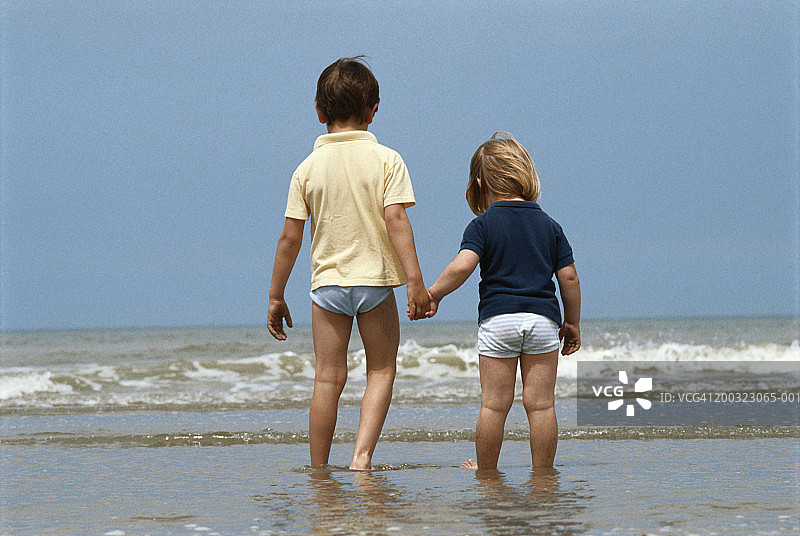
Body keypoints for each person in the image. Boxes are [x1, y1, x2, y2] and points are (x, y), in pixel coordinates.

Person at [267, 57, 430, 470]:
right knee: (380, 369)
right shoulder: (387, 161)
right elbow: (396, 219)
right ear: (374, 110)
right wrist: (415, 280)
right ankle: (361, 458)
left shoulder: (306, 169)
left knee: (328, 378)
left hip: (328, 287)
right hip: (375, 282)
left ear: (319, 111)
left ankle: (319, 468)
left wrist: (275, 295)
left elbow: (290, 238)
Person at [425, 132, 581, 469]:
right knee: (541, 405)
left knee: (494, 405)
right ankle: (543, 473)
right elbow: (568, 277)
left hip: (498, 321)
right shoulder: (549, 225)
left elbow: (463, 265)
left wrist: (434, 293)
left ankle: (486, 472)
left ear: (479, 183)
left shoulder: (483, 224)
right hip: (542, 321)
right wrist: (572, 322)